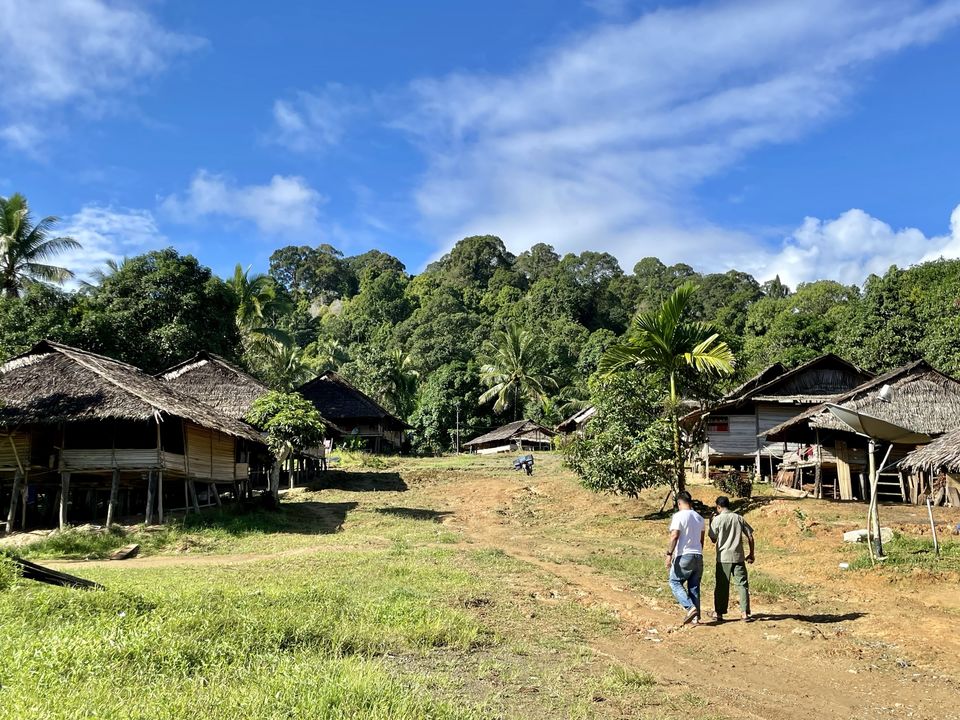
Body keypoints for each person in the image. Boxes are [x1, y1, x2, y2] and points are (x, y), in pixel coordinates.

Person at [708, 495, 755, 622]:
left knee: (722, 586)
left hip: (723, 558)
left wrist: (710, 522)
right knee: (742, 585)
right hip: (738, 556)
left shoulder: (717, 520)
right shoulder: (738, 518)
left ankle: (719, 613)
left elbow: (713, 539)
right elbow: (750, 536)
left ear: (718, 507)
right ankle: (745, 613)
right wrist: (751, 554)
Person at [666, 490, 705, 626]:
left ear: (679, 503)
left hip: (684, 555)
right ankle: (696, 618)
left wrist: (669, 554)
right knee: (694, 586)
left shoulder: (679, 516)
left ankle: (690, 608)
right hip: (698, 555)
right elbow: (701, 540)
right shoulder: (699, 518)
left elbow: (674, 535)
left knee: (674, 582)